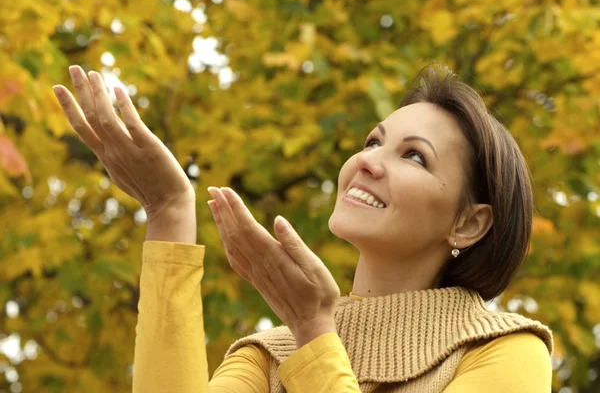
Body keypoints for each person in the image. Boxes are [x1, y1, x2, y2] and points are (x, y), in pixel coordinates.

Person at [53, 64, 553, 392]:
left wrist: (315, 330)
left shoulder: (506, 351)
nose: (367, 161)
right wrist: (167, 211)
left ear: (469, 223)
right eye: (372, 141)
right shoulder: (267, 354)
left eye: (414, 156)